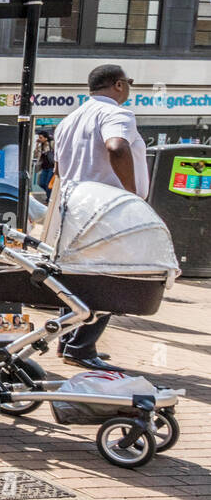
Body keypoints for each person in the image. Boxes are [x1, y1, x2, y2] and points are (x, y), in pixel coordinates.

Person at [50, 64, 149, 371]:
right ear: (118, 85)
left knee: (80, 279)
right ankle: (81, 346)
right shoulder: (117, 114)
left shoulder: (69, 120)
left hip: (74, 209)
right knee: (111, 278)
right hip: (108, 209)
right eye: (128, 83)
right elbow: (117, 146)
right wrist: (131, 194)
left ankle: (69, 342)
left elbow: (57, 171)